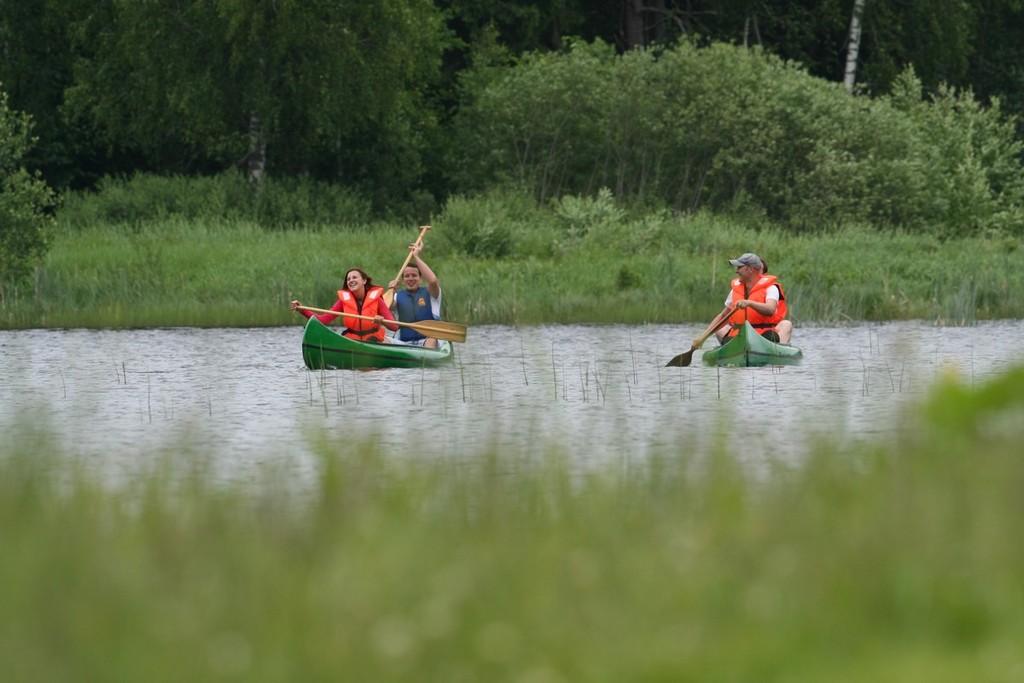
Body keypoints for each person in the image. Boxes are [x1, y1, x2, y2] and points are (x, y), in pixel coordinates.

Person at [291, 267, 399, 342]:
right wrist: (302, 310)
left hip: (373, 341)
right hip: (352, 340)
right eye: (348, 279)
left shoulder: (377, 300)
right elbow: (323, 320)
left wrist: (382, 321)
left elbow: (394, 327)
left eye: (354, 277)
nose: (351, 280)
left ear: (364, 281)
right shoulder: (343, 301)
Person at [710, 252, 793, 345]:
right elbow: (722, 316)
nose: (736, 271)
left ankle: (780, 350)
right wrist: (703, 336)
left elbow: (770, 309)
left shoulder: (771, 288)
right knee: (720, 328)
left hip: (765, 335)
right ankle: (729, 350)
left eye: (739, 267)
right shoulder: (735, 290)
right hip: (739, 335)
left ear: (749, 269)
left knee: (786, 324)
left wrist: (749, 303)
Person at [387, 242, 442, 348]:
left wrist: (416, 256)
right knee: (383, 339)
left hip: (427, 341)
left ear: (420, 279)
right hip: (403, 342)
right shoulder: (397, 296)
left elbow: (433, 281)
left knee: (431, 340)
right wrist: (391, 290)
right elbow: (385, 308)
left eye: (414, 275)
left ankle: (426, 359)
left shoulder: (432, 293)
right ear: (402, 280)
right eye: (407, 276)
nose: (410, 278)